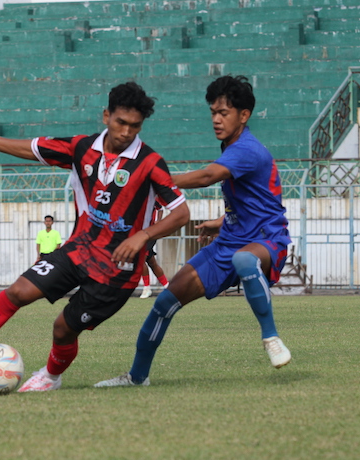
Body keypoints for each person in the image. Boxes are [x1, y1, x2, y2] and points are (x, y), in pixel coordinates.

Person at [0, 82, 190, 392]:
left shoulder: (149, 162)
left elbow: (181, 213)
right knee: (18, 292)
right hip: (79, 250)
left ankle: (50, 377)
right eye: (121, 122)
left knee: (63, 328)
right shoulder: (81, 148)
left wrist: (141, 237)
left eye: (135, 126)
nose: (126, 132)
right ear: (106, 116)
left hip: (116, 272)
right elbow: (33, 148)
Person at [95, 75, 292, 388]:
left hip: (266, 239)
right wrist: (222, 220)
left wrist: (153, 179)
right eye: (213, 112)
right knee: (164, 303)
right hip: (229, 241)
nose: (216, 119)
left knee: (244, 260)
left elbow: (206, 176)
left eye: (224, 113)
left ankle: (271, 337)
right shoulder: (233, 147)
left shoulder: (247, 149)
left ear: (244, 115)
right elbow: (255, 198)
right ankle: (137, 377)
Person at [139, 201, 169, 299]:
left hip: (151, 233)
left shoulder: (150, 198)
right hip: (140, 234)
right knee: (151, 262)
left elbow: (160, 208)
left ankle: (147, 288)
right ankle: (168, 286)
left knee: (140, 259)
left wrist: (158, 221)